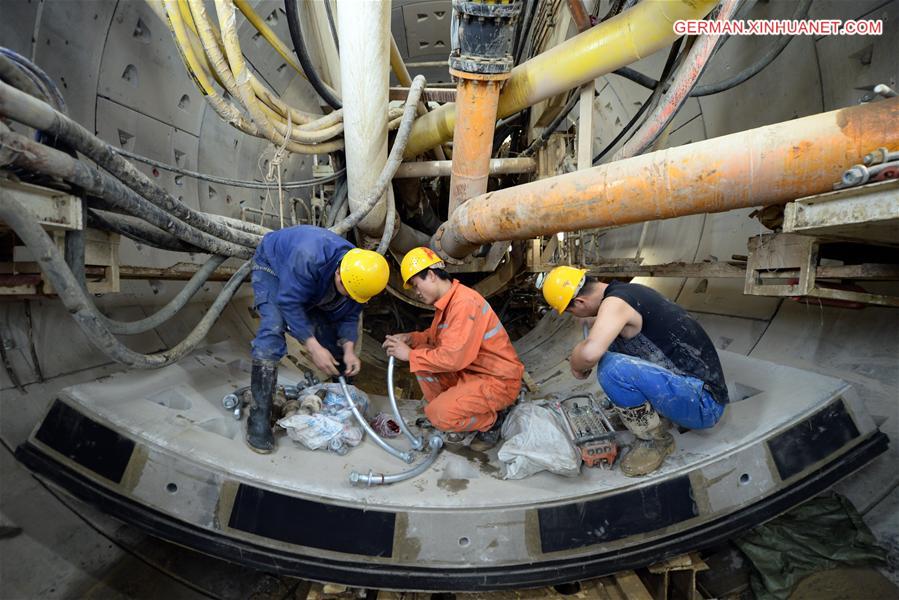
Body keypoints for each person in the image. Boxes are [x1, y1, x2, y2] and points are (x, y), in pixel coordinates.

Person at [540, 266, 728, 476]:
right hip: (692, 387)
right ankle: (648, 415)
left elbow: (589, 354)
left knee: (612, 368)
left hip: (704, 404)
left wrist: (576, 362)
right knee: (610, 345)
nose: (573, 316)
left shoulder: (615, 304)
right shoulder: (626, 293)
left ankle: (654, 441)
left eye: (570, 311)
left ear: (581, 302)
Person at [247, 225, 389, 454]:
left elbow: (350, 312)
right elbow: (290, 303)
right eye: (346, 290)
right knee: (272, 331)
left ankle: (340, 400)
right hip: (273, 268)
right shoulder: (309, 256)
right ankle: (259, 418)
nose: (350, 297)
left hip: (312, 281)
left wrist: (349, 348)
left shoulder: (359, 274)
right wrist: (313, 346)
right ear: (338, 274)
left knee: (333, 341)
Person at [383, 247, 524, 450]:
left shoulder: (464, 303)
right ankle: (450, 410)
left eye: (415, 285)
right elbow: (434, 339)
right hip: (473, 373)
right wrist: (410, 338)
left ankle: (492, 421)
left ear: (431, 275)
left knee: (437, 414)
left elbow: (452, 359)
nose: (416, 293)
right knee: (423, 356)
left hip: (498, 382)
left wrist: (409, 354)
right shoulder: (449, 303)